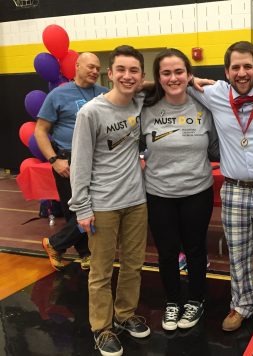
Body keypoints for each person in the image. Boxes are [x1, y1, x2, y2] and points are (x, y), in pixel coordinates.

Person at [190, 41, 253, 341]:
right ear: (226, 71)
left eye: (248, 66)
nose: (242, 72)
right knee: (238, 252)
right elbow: (170, 80)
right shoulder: (215, 93)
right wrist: (189, 78)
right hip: (233, 189)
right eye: (235, 67)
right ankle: (241, 305)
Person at [69, 45, 150, 356]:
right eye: (121, 70)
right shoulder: (90, 112)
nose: (127, 76)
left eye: (134, 71)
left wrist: (193, 79)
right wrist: (82, 208)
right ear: (110, 74)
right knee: (101, 271)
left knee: (133, 265)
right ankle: (101, 328)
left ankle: (125, 315)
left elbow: (159, 84)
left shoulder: (139, 102)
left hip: (136, 200)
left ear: (141, 76)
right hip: (102, 205)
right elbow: (80, 163)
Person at [140, 48, 219, 331]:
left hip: (197, 191)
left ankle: (196, 300)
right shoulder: (145, 107)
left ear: (189, 74)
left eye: (179, 72)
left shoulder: (204, 107)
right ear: (157, 77)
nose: (173, 78)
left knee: (196, 250)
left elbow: (215, 148)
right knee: (167, 252)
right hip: (159, 194)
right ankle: (173, 301)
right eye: (166, 73)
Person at [35, 52, 108, 271]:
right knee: (75, 212)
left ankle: (55, 243)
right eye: (90, 67)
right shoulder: (58, 95)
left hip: (97, 160)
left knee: (96, 209)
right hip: (67, 160)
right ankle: (85, 254)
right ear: (77, 66)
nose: (95, 71)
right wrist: (54, 160)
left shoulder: (104, 93)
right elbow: (40, 130)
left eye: (98, 68)